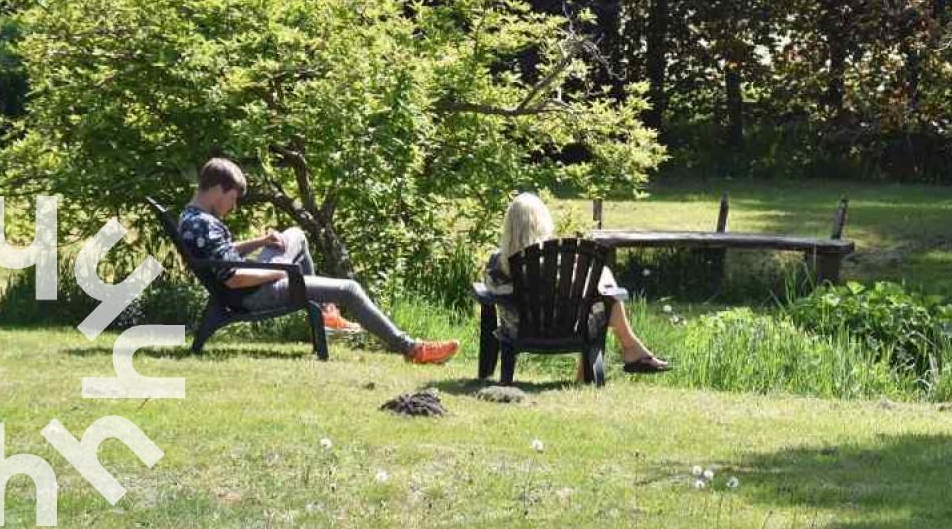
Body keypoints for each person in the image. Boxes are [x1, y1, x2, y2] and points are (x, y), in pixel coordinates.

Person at [178, 157, 460, 365]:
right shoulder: (204, 225)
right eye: (233, 198)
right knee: (350, 289)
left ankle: (326, 314)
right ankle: (412, 349)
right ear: (218, 189)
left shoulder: (193, 218)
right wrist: (278, 273)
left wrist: (261, 242)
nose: (234, 206)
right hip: (250, 294)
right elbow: (234, 278)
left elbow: (222, 255)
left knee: (295, 235)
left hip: (248, 286)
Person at [486, 192, 670, 375]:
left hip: (519, 331)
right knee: (606, 295)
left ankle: (628, 349)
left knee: (605, 293)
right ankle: (628, 347)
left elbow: (490, 290)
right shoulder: (559, 260)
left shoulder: (498, 263)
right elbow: (585, 288)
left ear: (509, 225)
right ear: (541, 222)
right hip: (569, 327)